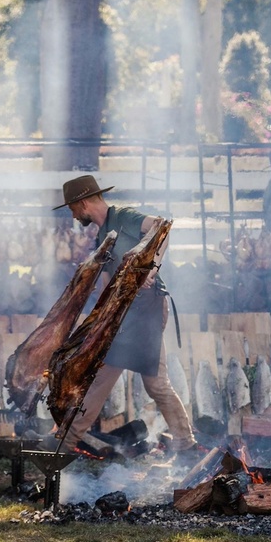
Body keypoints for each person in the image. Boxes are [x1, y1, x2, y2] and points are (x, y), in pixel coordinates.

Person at [55, 175, 200, 454]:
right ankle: (67, 440)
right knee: (107, 375)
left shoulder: (123, 217)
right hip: (123, 314)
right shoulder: (102, 234)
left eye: (72, 208)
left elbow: (162, 228)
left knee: (152, 383)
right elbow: (108, 281)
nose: (73, 215)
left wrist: (151, 267)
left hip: (146, 308)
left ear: (83, 203)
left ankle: (185, 442)